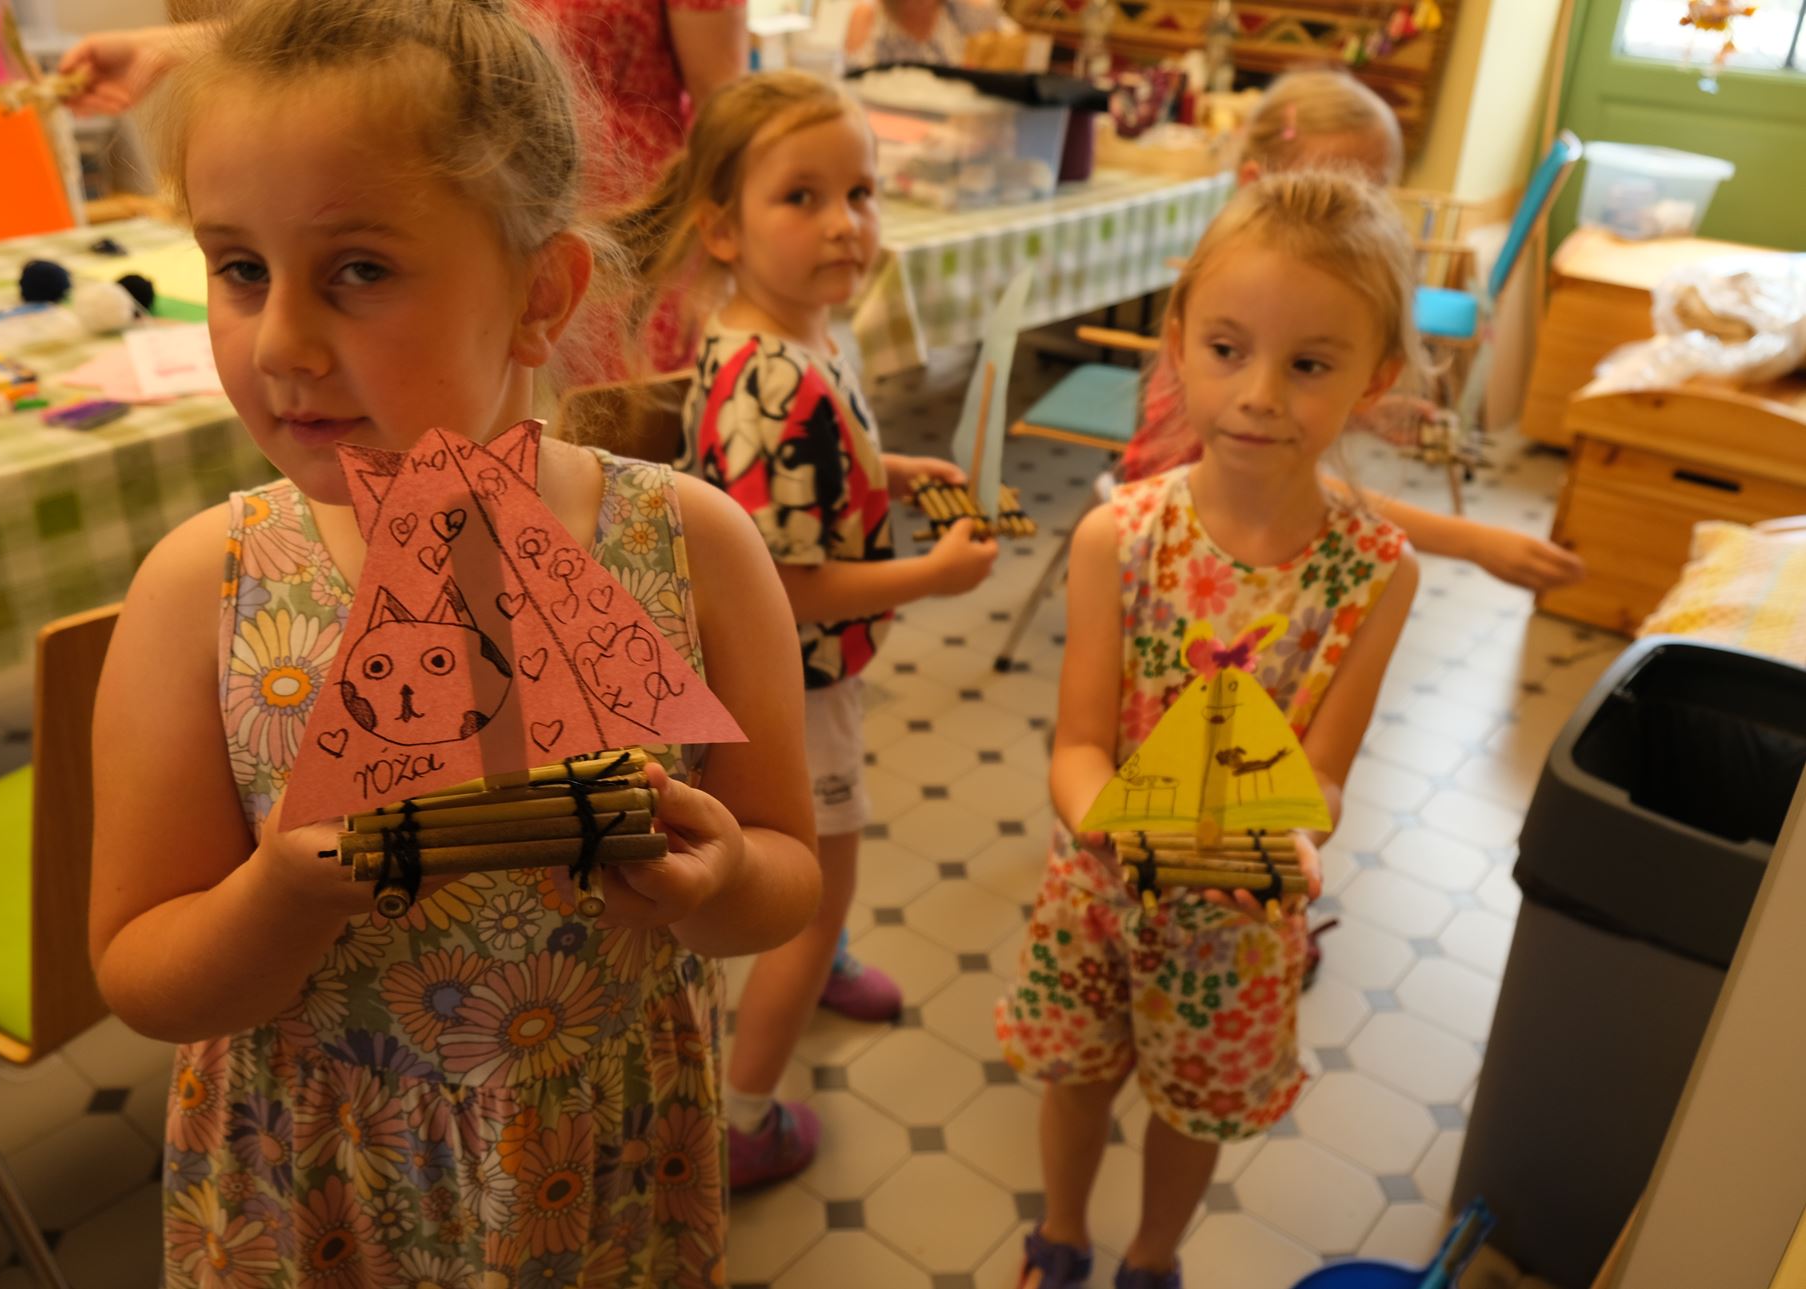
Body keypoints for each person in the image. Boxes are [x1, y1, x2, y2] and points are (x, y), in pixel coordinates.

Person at [86, 1, 820, 1281]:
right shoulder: (196, 591)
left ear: (541, 294)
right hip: (318, 1171)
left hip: (599, 1152)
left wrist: (718, 880)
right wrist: (278, 895)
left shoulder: (695, 548)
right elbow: (142, 975)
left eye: (360, 270)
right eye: (240, 268)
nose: (281, 343)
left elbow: (787, 871)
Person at [995, 169, 1426, 1289]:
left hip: (1239, 928)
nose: (1260, 395)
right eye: (1228, 349)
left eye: (1310, 364)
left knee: (1192, 1113)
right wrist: (1115, 827)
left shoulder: (1377, 574)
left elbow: (1322, 777)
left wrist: (1289, 841)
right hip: (1098, 897)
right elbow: (1077, 748)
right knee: (1076, 1082)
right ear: (1177, 340)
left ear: (1375, 377)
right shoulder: (1118, 537)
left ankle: (1151, 1257)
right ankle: (1060, 1233)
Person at [617, 69, 1000, 1189]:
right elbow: (779, 587)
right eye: (802, 197)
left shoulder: (791, 334)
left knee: (823, 862)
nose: (844, 223)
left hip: (812, 674)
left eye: (860, 193)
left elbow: (810, 473)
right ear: (721, 229)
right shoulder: (770, 382)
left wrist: (891, 469)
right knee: (815, 886)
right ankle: (743, 1115)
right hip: (797, 680)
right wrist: (931, 575)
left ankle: (821, 958)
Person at [59, 0, 748, 370]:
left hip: (634, 224)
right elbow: (394, 27)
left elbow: (723, 101)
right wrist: (170, 48)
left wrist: (723, 235)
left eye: (362, 270)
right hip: (442, 200)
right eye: (242, 270)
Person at [1120, 68, 1586, 594]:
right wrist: (1467, 540)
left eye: (1374, 190)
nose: (1358, 215)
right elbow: (1269, 485)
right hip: (1180, 550)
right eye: (1332, 188)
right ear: (1256, 184)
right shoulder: (1226, 306)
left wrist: (1364, 412)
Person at [845, 0, 1016, 67]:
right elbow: (852, 81)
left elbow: (1012, 51)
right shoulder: (868, 14)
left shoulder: (965, 11)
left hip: (952, 124)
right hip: (885, 123)